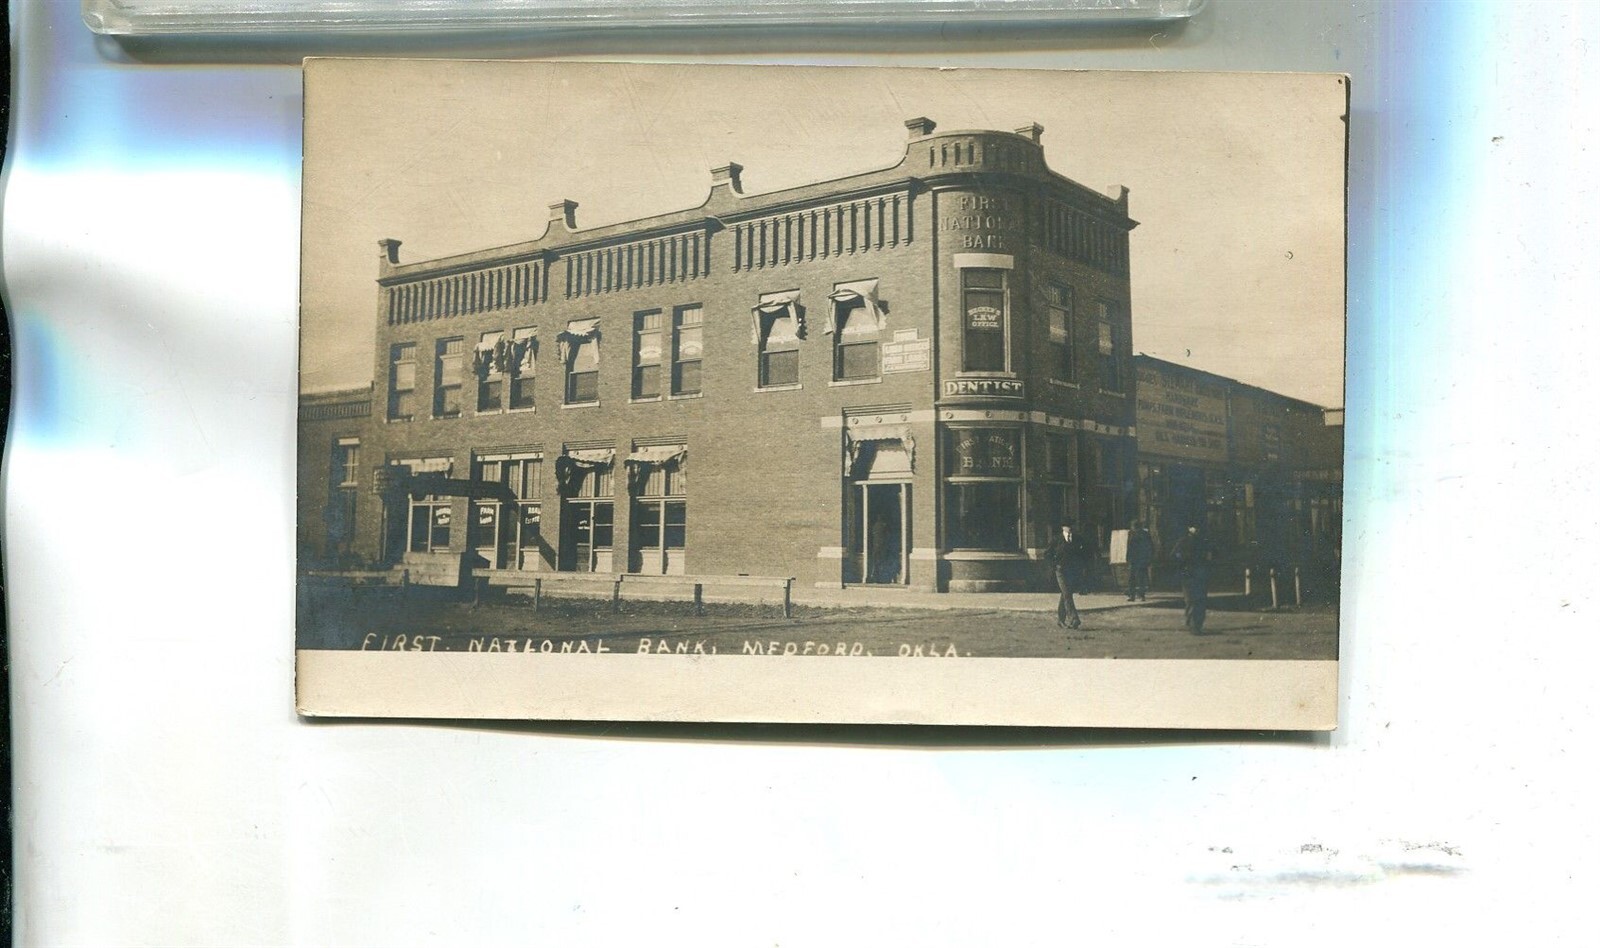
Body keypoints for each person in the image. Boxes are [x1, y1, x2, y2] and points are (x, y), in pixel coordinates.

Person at [1043, 521, 1092, 629]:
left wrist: (1082, 565)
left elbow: (1084, 553)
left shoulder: (1077, 539)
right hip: (1060, 571)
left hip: (1072, 571)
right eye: (1067, 526)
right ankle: (1074, 618)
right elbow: (1047, 554)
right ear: (1062, 527)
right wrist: (1054, 565)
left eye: (1071, 525)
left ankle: (1060, 620)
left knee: (1066, 594)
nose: (1070, 528)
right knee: (1067, 593)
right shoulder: (1056, 539)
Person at [1171, 524, 1212, 633]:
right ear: (1189, 529)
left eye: (1198, 527)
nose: (1197, 529)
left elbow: (1210, 556)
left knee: (1200, 600)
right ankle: (1193, 625)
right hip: (1188, 574)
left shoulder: (1204, 542)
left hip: (1199, 573)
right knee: (1191, 599)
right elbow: (1175, 555)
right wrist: (1183, 561)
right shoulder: (1183, 541)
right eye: (1194, 527)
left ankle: (1197, 624)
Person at [1126, 521, 1154, 602]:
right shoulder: (1132, 534)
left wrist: (1148, 558)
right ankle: (1134, 595)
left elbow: (1149, 546)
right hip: (1135, 559)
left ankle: (1140, 595)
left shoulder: (1144, 534)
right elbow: (1129, 547)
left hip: (1141, 559)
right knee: (1133, 578)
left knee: (1139, 578)